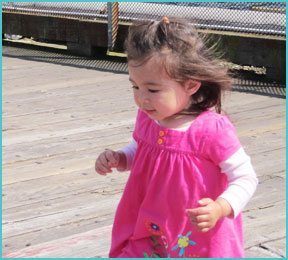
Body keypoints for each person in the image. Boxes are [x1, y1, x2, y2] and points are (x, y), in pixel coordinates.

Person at [95, 17, 258, 258]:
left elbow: (246, 178)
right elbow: (141, 150)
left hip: (197, 235)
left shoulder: (211, 130)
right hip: (150, 227)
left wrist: (221, 207)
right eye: (135, 87)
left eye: (152, 89)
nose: (141, 98)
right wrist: (120, 158)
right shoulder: (148, 117)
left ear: (191, 85)